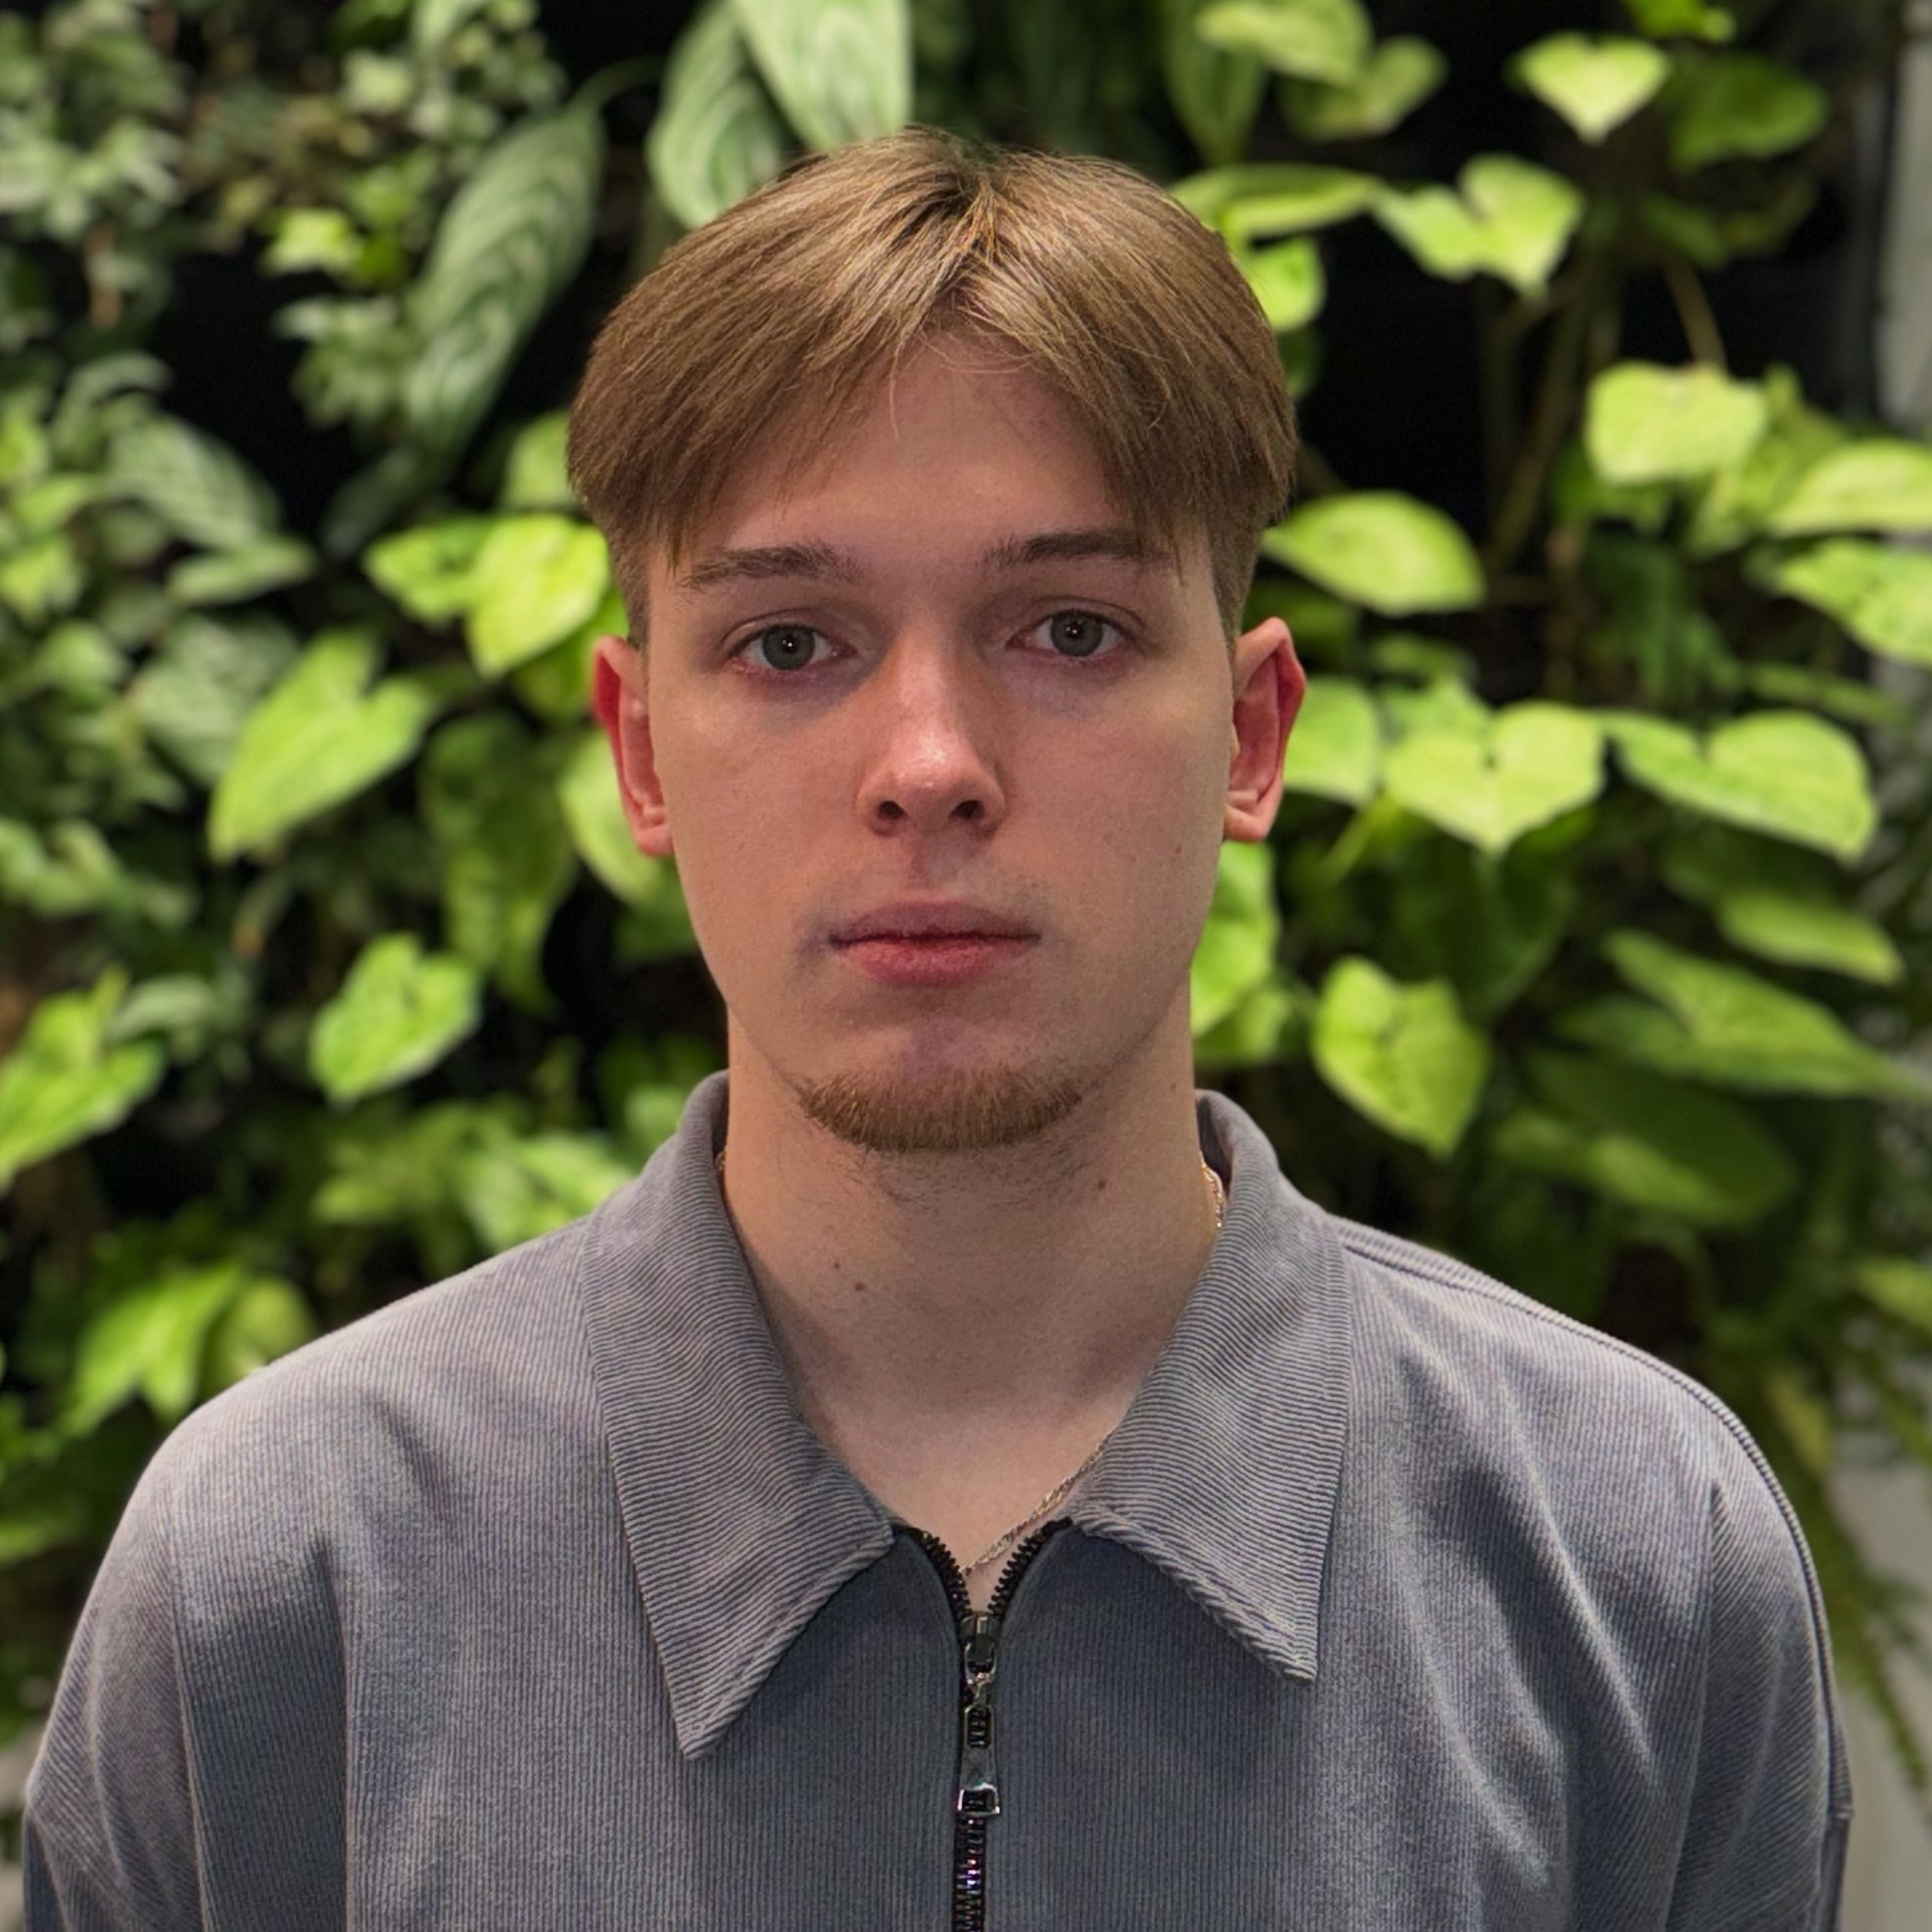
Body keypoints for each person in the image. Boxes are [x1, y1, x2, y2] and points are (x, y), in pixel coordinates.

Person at [22, 126, 1849, 1930]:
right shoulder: (286, 1583)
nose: (927, 766)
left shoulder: (1631, 1557)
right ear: (639, 749)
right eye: (788, 643)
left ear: (1250, 733)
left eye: (1069, 629)